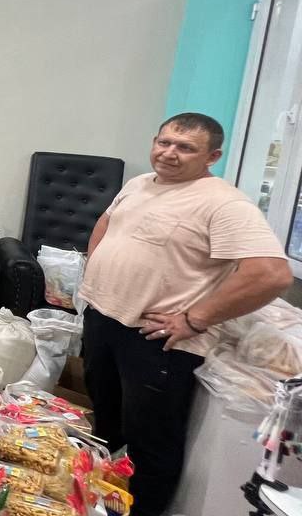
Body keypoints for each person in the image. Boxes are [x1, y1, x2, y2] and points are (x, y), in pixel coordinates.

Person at [78, 113, 291, 516]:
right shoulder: (139, 183)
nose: (169, 153)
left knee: (149, 443)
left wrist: (195, 319)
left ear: (212, 156)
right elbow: (107, 222)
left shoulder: (223, 202)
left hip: (155, 339)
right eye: (164, 142)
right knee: (106, 421)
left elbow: (270, 274)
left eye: (185, 147)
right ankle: (97, 500)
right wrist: (94, 271)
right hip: (104, 320)